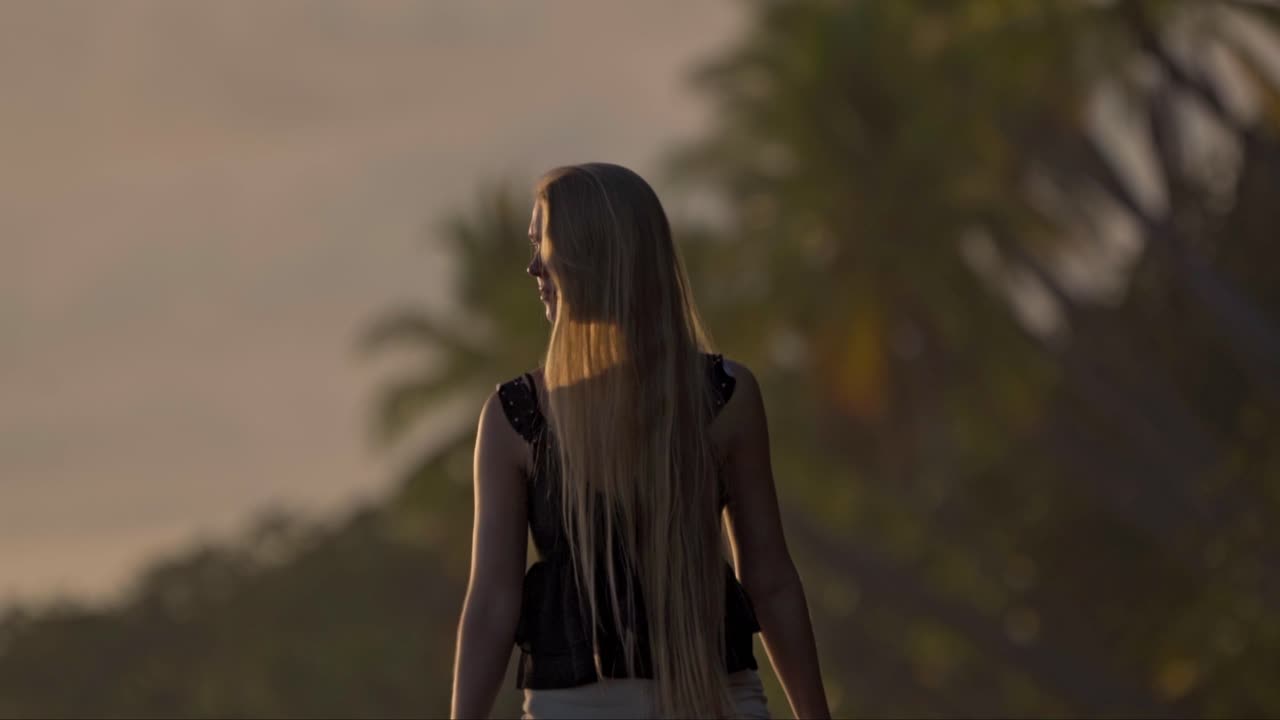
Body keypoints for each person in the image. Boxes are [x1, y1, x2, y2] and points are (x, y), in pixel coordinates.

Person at [449, 163, 830, 719]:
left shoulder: (722, 397)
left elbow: (770, 579)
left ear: (588, 252)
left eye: (542, 244)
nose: (533, 266)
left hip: (717, 700)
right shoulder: (516, 417)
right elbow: (490, 605)